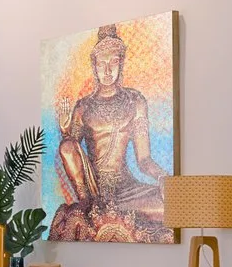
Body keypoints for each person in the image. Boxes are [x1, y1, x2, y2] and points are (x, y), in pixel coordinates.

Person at [52, 26, 171, 243]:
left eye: (113, 63)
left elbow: (144, 160)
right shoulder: (83, 106)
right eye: (102, 64)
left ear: (121, 64)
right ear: (94, 67)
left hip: (127, 190)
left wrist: (163, 178)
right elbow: (72, 152)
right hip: (94, 188)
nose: (107, 71)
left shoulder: (135, 101)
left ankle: (101, 207)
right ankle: (87, 204)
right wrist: (65, 131)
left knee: (169, 206)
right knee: (66, 146)